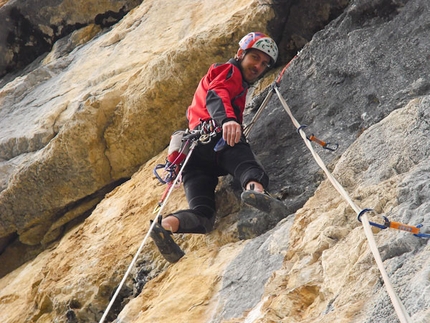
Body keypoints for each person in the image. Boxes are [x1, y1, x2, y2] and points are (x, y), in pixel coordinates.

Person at [151, 32, 289, 263]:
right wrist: (228, 120)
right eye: (255, 57)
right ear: (240, 54)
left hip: (193, 156)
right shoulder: (229, 71)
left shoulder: (227, 80)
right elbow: (217, 94)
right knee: (247, 165)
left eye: (264, 64)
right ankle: (257, 192)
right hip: (216, 140)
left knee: (203, 216)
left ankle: (165, 226)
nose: (258, 66)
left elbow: (199, 107)